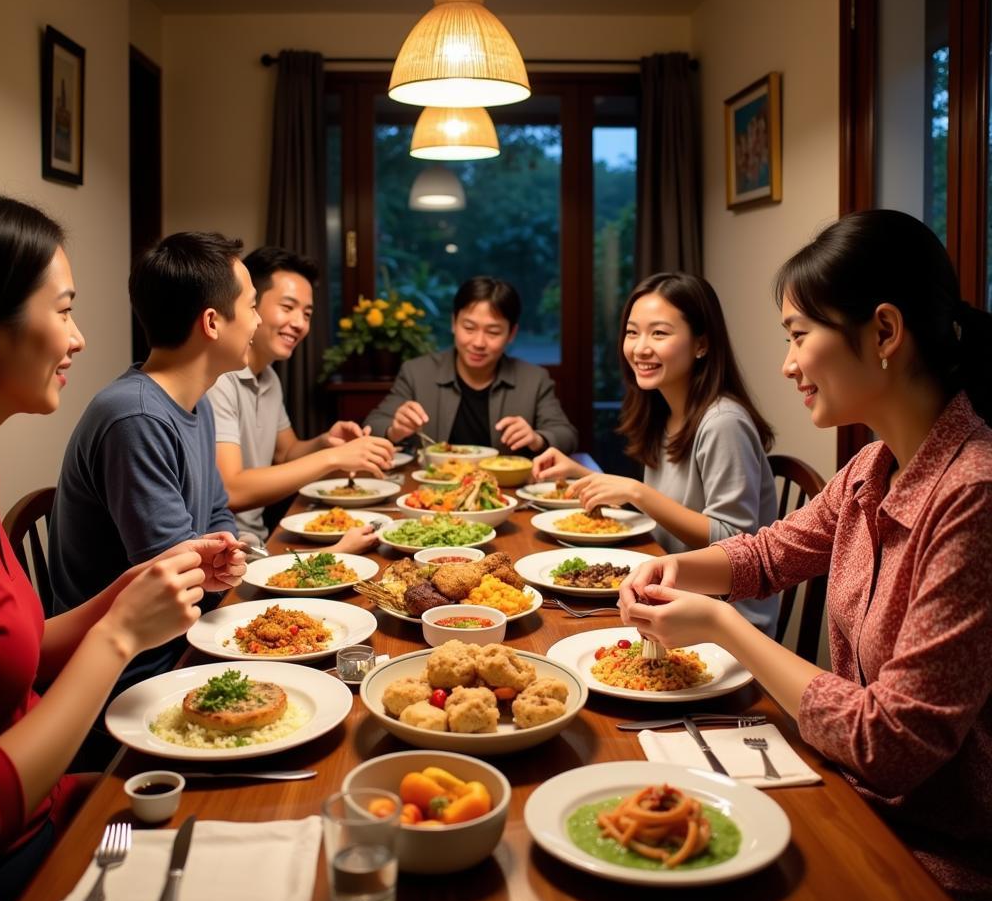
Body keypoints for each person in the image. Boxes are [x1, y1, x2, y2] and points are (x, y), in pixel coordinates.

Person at [618, 211, 992, 901]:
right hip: (851, 794)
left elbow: (890, 744)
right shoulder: (872, 467)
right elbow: (764, 552)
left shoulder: (973, 494)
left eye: (798, 336)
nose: (788, 364)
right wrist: (677, 572)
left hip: (929, 860)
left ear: (884, 333)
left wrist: (725, 630)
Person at [0, 186, 243, 901]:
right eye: (62, 310)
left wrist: (122, 597)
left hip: (55, 798)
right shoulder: (132, 412)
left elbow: (19, 651)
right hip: (12, 857)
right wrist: (121, 633)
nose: (80, 337)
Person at [48, 231, 250, 687]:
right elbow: (173, 580)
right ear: (214, 322)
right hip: (135, 669)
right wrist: (221, 565)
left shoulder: (196, 400)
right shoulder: (136, 416)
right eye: (253, 307)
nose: (256, 322)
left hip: (185, 636)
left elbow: (218, 511)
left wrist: (231, 556)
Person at [534, 272, 780, 633]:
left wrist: (638, 492)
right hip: (666, 590)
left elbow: (733, 541)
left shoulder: (723, 422)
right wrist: (579, 473)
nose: (640, 347)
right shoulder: (666, 412)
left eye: (659, 333)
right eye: (632, 332)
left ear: (701, 344)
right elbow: (669, 510)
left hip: (724, 622)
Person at [207, 247, 393, 545]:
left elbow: (286, 452)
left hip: (257, 539)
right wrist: (333, 457)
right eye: (288, 307)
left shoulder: (268, 376)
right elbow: (231, 489)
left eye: (306, 313)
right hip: (228, 548)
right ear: (251, 305)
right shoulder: (219, 379)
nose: (300, 323)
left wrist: (325, 442)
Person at [364, 276, 578, 454]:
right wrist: (394, 430)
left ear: (511, 334)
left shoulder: (534, 379)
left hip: (506, 493)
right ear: (453, 323)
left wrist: (536, 438)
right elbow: (372, 425)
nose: (478, 343)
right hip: (431, 492)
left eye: (493, 332)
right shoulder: (417, 372)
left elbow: (566, 435)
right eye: (469, 328)